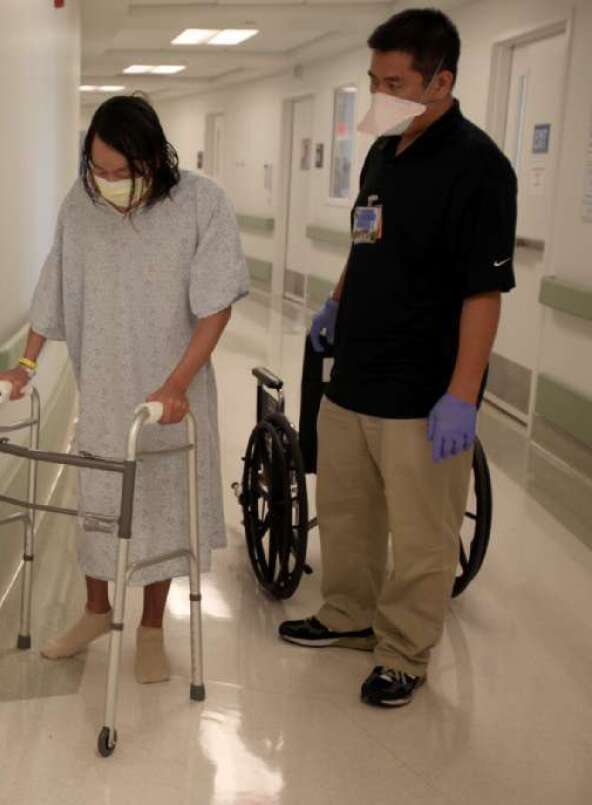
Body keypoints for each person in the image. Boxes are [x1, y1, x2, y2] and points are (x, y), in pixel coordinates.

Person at [278, 8, 516, 708]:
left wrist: (463, 393)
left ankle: (405, 650)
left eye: (394, 80)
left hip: (425, 388)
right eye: (373, 78)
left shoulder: (480, 168)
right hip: (356, 373)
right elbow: (367, 239)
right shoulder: (385, 150)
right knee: (347, 511)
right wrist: (337, 302)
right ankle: (348, 613)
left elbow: (484, 291)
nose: (379, 92)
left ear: (441, 80)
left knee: (422, 533)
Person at [0, 94, 248, 685]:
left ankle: (152, 629)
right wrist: (24, 366)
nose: (107, 183)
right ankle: (94, 612)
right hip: (105, 390)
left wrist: (177, 383)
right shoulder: (80, 205)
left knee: (159, 507)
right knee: (100, 507)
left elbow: (215, 308)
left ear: (154, 160)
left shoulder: (201, 204)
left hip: (171, 392)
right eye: (98, 170)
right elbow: (52, 285)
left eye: (122, 172)